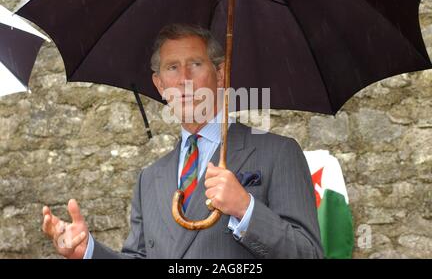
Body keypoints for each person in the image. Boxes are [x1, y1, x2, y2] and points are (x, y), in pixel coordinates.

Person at [41, 23, 323, 259]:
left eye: (196, 64)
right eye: (172, 68)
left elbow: (308, 254)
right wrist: (87, 251)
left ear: (221, 74)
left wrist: (246, 209)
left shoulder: (278, 153)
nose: (184, 79)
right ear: (160, 85)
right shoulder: (149, 179)